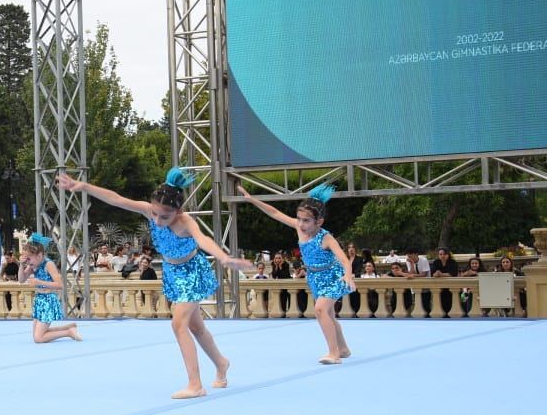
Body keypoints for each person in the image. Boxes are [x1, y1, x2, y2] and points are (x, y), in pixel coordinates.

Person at [59, 168, 253, 399]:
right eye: (155, 214)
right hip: (172, 271)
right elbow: (117, 199)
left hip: (191, 271)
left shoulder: (185, 221)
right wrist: (83, 187)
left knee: (178, 324)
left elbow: (204, 239)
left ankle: (195, 384)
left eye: (165, 217)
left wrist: (224, 258)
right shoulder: (150, 211)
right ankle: (221, 363)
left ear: (178, 211)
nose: (158, 221)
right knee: (196, 327)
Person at [239, 183, 355, 364]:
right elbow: (275, 213)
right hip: (315, 278)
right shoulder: (299, 228)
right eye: (299, 219)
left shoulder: (326, 237)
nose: (301, 224)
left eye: (306, 220)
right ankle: (344, 348)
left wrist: (348, 275)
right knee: (329, 315)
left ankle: (334, 353)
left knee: (320, 310)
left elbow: (344, 259)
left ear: (319, 222)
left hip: (333, 276)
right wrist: (252, 199)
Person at [17, 232, 81, 343]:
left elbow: (60, 285)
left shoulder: (48, 264)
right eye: (26, 259)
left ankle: (68, 332)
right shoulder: (33, 265)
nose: (27, 262)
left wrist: (39, 282)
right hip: (39, 300)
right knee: (37, 334)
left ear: (39, 255)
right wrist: (21, 265)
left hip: (48, 300)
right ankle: (68, 328)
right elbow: (21, 280)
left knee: (38, 338)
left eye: (29, 259)